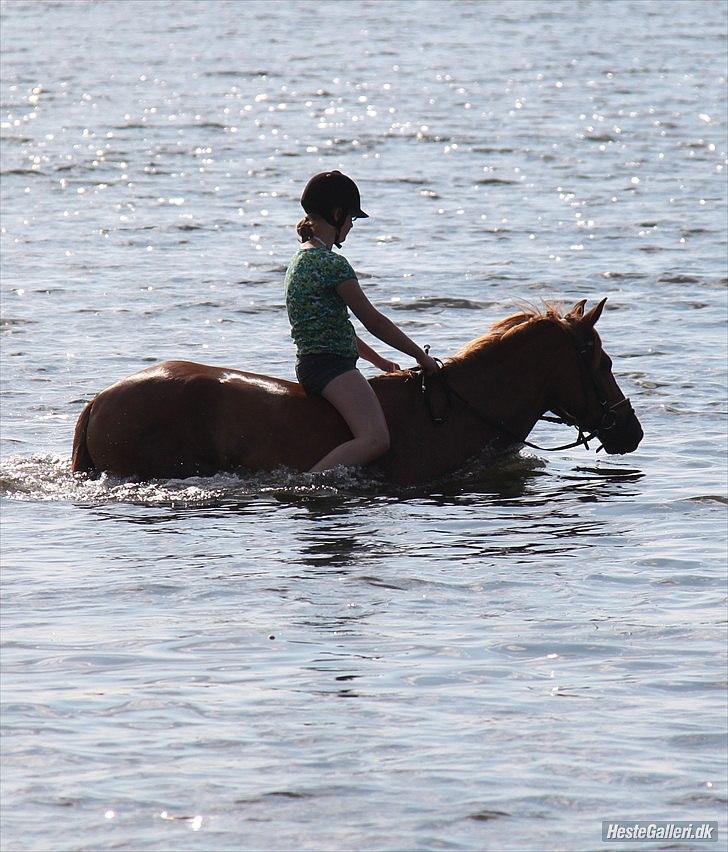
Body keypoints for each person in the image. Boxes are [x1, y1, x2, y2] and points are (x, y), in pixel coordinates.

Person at [284, 170, 440, 473]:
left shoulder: (298, 260)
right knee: (376, 440)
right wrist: (421, 356)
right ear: (337, 214)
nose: (352, 225)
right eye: (351, 218)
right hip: (332, 368)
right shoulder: (332, 265)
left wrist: (380, 362)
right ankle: (308, 484)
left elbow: (333, 325)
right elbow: (373, 321)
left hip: (313, 364)